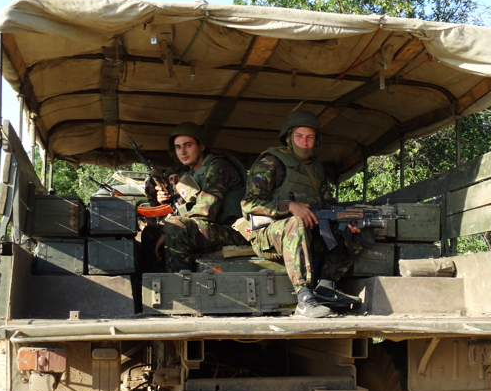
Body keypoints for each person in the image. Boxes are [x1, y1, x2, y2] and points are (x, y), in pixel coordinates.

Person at [240, 111, 363, 318]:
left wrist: (343, 220)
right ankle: (304, 297)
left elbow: (328, 203)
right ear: (289, 137)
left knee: (351, 230)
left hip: (305, 234)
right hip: (269, 236)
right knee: (295, 222)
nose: (304, 143)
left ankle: (325, 287)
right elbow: (249, 204)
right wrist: (289, 206)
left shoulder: (316, 168)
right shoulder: (271, 162)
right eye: (299, 136)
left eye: (310, 137)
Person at [153, 122, 248, 272]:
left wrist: (169, 227)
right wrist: (169, 199)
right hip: (211, 229)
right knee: (150, 234)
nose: (182, 152)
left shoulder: (218, 167)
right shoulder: (191, 175)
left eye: (188, 145)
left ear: (202, 146)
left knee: (175, 228)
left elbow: (205, 211)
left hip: (233, 231)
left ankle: (179, 284)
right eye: (178, 147)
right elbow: (188, 208)